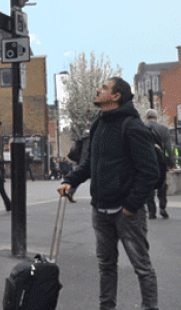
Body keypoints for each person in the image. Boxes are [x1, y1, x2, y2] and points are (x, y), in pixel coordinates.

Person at [58, 77, 159, 310]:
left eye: (103, 87)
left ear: (115, 96)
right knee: (106, 265)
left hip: (126, 211)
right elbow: (89, 163)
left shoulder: (132, 126)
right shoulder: (99, 124)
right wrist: (69, 181)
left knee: (141, 266)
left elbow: (150, 172)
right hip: (100, 209)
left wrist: (131, 205)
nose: (97, 89)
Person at [145, 108, 173, 219]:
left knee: (149, 186)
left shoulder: (142, 128)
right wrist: (171, 163)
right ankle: (162, 207)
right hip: (161, 161)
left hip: (147, 161)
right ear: (157, 118)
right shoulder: (164, 129)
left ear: (147, 118)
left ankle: (151, 211)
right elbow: (168, 148)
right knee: (162, 185)